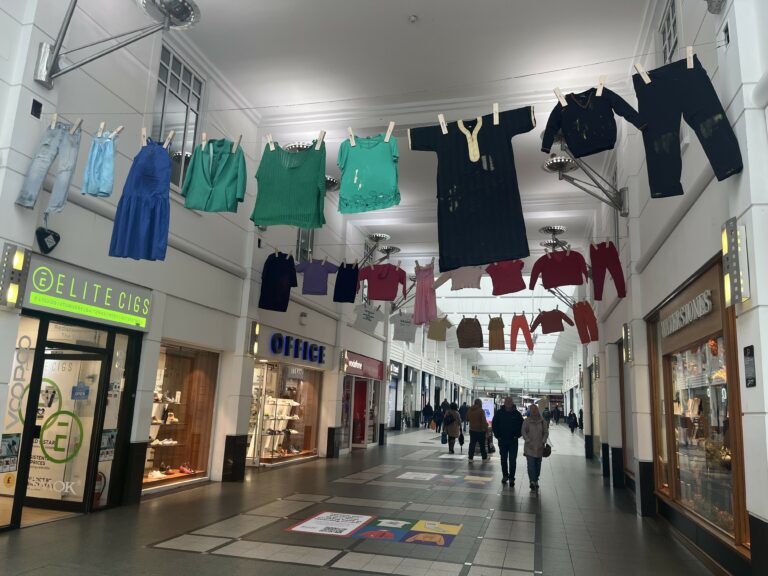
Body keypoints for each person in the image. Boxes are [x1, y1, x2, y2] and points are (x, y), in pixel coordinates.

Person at [492, 397, 523, 485]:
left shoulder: (517, 414)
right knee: (503, 459)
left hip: (513, 441)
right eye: (507, 401)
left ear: (512, 402)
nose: (508, 403)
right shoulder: (499, 413)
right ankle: (505, 476)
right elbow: (494, 425)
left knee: (512, 460)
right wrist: (498, 436)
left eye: (510, 401)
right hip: (502, 440)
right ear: (504, 402)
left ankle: (512, 478)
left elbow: (522, 425)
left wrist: (517, 435)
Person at [522, 404, 549, 491]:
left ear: (538, 410)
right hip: (530, 447)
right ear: (530, 411)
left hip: (540, 447)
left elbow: (546, 432)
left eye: (535, 410)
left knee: (537, 465)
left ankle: (536, 479)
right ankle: (532, 481)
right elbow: (523, 431)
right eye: (532, 410)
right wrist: (527, 440)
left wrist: (543, 441)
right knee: (531, 465)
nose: (534, 411)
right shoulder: (526, 421)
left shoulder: (542, 421)